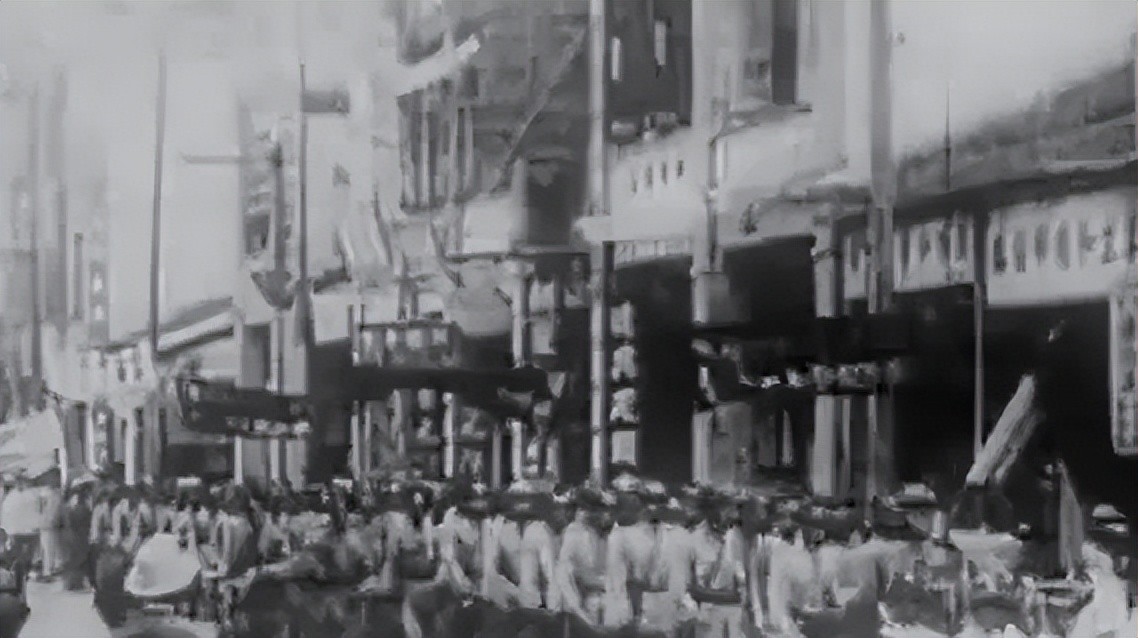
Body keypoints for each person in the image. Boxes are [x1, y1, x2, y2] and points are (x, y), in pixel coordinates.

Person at [0, 473, 41, 575]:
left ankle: (18, 570)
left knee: (18, 553)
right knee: (25, 554)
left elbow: (7, 514)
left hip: (18, 531)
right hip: (27, 530)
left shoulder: (11, 497)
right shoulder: (32, 494)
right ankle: (23, 570)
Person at [62, 483, 93, 591]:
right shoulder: (84, 509)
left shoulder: (72, 508)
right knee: (80, 558)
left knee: (74, 558)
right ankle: (76, 583)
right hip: (81, 535)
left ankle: (71, 583)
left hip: (73, 534)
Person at [37, 482, 63, 580]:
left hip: (44, 524)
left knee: (46, 548)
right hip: (52, 524)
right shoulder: (56, 495)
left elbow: (39, 509)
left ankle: (47, 570)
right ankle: (51, 568)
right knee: (51, 547)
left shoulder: (43, 493)